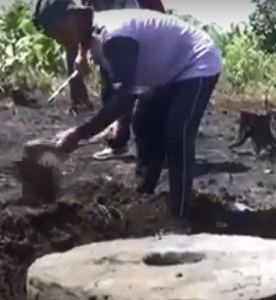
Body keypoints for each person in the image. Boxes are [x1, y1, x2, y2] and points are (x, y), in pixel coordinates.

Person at [33, 0, 221, 233]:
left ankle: (179, 217)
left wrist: (80, 134)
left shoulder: (114, 36)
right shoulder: (90, 29)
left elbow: (124, 100)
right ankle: (145, 195)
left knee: (178, 132)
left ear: (75, 15)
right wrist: (81, 55)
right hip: (163, 72)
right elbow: (86, 41)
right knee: (143, 125)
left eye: (61, 31)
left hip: (196, 60)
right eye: (55, 36)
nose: (61, 40)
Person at [64, 0, 167, 161]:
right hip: (105, 42)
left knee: (142, 97)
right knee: (110, 90)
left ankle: (156, 148)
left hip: (134, 40)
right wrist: (82, 53)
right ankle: (119, 142)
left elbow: (157, 12)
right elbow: (83, 20)